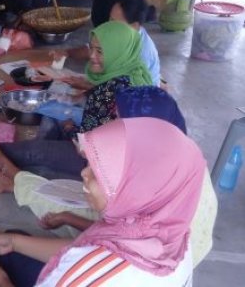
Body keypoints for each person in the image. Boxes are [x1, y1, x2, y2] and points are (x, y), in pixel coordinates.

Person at [0, 117, 204, 286]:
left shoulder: (88, 276)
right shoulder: (168, 234)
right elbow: (85, 250)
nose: (84, 174)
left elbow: (85, 262)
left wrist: (2, 283)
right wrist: (16, 242)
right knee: (11, 242)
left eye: (98, 173)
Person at [20, 86, 217, 267]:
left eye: (121, 121)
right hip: (158, 253)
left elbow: (121, 237)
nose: (113, 125)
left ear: (147, 129)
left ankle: (12, 178)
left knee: (59, 200)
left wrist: (69, 218)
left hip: (146, 259)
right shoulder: (178, 158)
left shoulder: (141, 235)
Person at [0, 21, 152, 180]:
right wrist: (76, 97)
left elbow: (89, 146)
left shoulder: (119, 90)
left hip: (105, 163)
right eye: (92, 49)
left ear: (118, 52)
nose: (92, 56)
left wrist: (70, 128)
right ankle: (49, 146)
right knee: (54, 112)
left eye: (101, 51)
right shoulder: (131, 72)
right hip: (98, 136)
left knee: (34, 150)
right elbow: (98, 104)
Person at [52, 0, 162, 86]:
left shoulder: (142, 54)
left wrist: (87, 85)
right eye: (110, 18)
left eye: (114, 21)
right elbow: (90, 49)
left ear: (134, 26)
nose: (108, 24)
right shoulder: (120, 34)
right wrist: (67, 53)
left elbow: (123, 91)